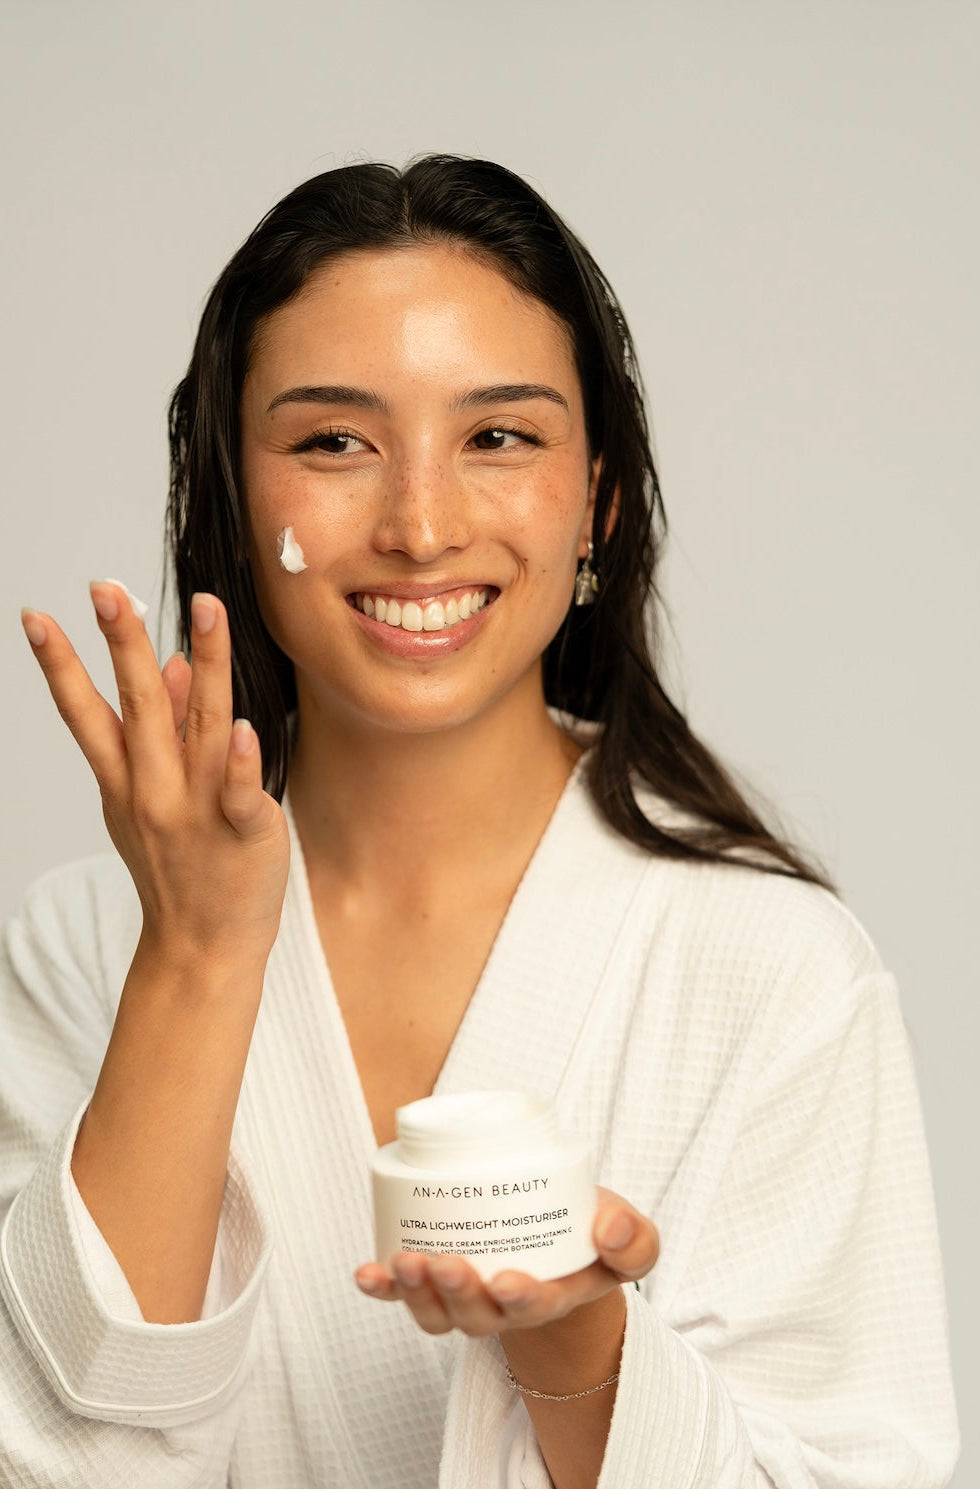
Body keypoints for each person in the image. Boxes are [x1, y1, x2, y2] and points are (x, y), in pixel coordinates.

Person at [0, 156, 958, 1488]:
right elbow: (56, 1460)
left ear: (598, 502)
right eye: (334, 442)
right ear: (234, 497)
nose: (420, 524)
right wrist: (198, 959)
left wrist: (578, 1345)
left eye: (499, 437)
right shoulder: (82, 947)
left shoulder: (775, 969)